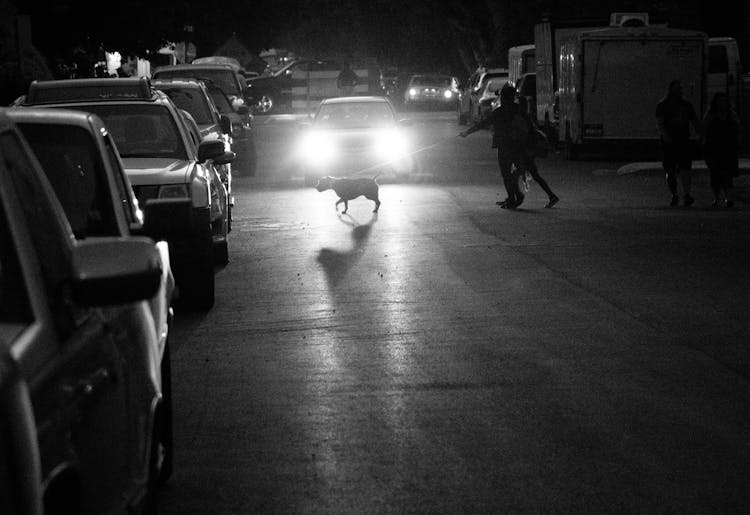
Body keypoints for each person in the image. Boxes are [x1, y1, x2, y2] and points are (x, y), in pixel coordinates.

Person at [459, 84, 527, 208]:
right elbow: (529, 125)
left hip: (504, 145)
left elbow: (483, 124)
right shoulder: (519, 110)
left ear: (503, 97)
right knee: (516, 171)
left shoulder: (499, 112)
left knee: (506, 173)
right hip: (519, 145)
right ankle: (514, 196)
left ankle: (513, 197)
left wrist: (467, 132)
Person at [655, 79, 701, 206]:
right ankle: (674, 193)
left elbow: (694, 120)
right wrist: (665, 136)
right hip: (669, 142)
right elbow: (660, 123)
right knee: (670, 170)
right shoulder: (663, 105)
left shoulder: (686, 105)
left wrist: (699, 131)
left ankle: (686, 194)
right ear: (671, 90)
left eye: (680, 89)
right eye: (677, 89)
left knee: (685, 168)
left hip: (683, 140)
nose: (679, 91)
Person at [517, 95, 559, 208]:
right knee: (533, 175)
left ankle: (515, 197)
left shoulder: (522, 117)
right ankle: (551, 196)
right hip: (528, 150)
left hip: (526, 151)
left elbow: (525, 135)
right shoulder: (526, 116)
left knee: (517, 173)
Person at [703, 92, 740, 208]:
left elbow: (738, 127)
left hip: (728, 148)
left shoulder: (731, 114)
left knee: (727, 174)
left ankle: (728, 198)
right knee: (715, 174)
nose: (722, 103)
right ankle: (717, 198)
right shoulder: (711, 114)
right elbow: (704, 127)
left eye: (724, 100)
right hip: (713, 147)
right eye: (719, 100)